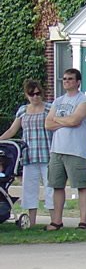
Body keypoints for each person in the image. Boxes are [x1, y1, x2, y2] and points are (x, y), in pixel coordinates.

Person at [0, 79, 55, 227]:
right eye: (31, 94)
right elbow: (12, 130)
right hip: (29, 155)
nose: (35, 97)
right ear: (27, 95)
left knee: (51, 187)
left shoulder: (50, 108)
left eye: (37, 93)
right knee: (29, 188)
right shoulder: (23, 110)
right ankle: (31, 221)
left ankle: (54, 220)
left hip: (47, 154)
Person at [44, 68, 86, 231]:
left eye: (70, 79)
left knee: (80, 186)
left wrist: (59, 120)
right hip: (57, 149)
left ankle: (83, 222)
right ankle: (57, 221)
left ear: (78, 82)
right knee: (57, 186)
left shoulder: (84, 101)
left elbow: (76, 120)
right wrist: (65, 120)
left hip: (76, 150)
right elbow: (48, 124)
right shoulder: (58, 101)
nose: (66, 81)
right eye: (64, 78)